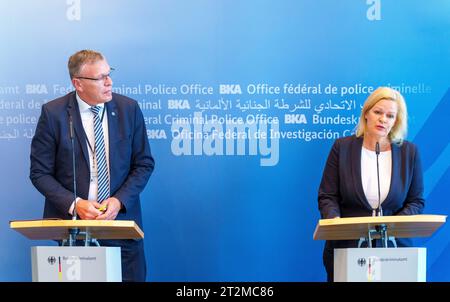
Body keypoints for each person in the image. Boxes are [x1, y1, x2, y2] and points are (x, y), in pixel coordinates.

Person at [30, 49, 155, 282]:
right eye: (101, 78)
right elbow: (39, 173)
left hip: (121, 226)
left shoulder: (129, 109)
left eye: (109, 74)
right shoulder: (54, 114)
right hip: (74, 231)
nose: (109, 82)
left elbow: (143, 164)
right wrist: (75, 204)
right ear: (78, 83)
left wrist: (118, 201)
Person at [317, 86, 425, 282]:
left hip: (395, 251)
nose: (383, 119)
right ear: (366, 113)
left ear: (396, 121)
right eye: (378, 112)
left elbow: (416, 201)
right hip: (347, 247)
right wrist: (333, 219)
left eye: (390, 116)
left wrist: (394, 226)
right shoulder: (342, 148)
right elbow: (328, 196)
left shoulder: (410, 153)